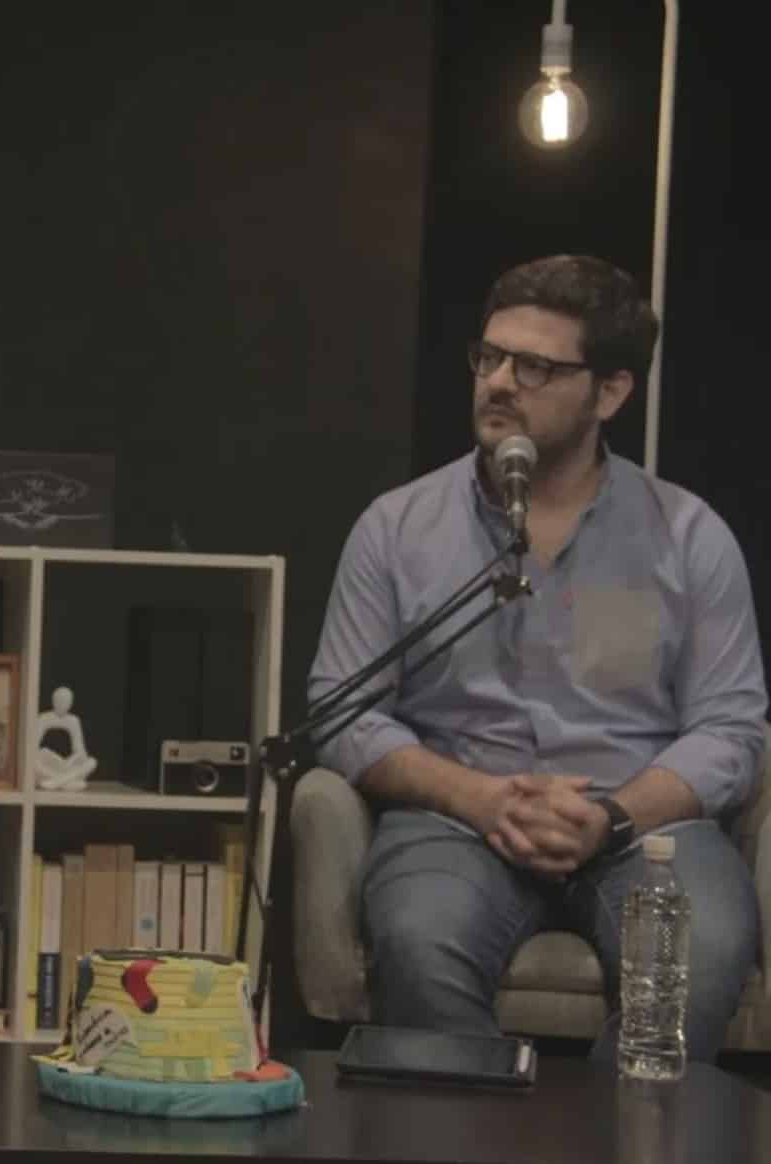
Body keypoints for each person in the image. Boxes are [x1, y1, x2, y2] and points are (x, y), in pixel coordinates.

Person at [309, 254, 765, 1064]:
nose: (498, 383)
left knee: (700, 955)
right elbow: (344, 711)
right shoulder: (396, 528)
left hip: (643, 827)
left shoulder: (690, 537)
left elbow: (731, 728)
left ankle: (617, 1132)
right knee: (419, 941)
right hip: (455, 822)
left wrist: (612, 816)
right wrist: (479, 798)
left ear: (610, 392)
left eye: (535, 367)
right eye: (489, 357)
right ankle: (475, 1128)